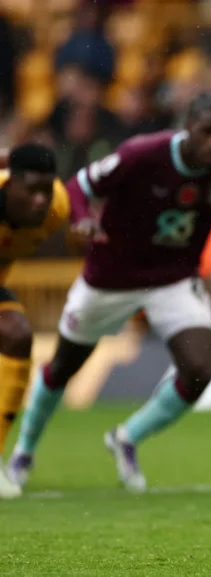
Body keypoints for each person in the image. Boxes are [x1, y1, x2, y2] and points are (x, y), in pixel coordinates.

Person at [7, 93, 211, 493]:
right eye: (207, 133)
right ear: (187, 127)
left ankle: (127, 438)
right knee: (63, 367)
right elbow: (80, 184)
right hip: (109, 278)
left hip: (173, 280)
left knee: (199, 370)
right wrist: (82, 219)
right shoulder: (142, 154)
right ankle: (23, 452)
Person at [0, 144, 70, 498]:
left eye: (46, 189)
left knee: (17, 335)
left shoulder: (57, 206)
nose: (41, 200)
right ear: (11, 185)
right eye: (32, 190)